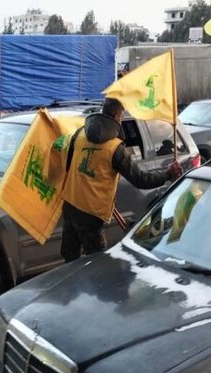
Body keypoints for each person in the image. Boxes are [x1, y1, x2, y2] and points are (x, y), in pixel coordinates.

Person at [60, 98, 182, 263]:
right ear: (118, 116)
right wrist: (168, 173)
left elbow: (69, 166)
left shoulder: (81, 133)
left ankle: (69, 288)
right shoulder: (115, 148)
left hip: (70, 205)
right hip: (91, 214)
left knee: (70, 259)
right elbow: (141, 180)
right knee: (95, 263)